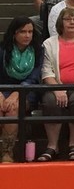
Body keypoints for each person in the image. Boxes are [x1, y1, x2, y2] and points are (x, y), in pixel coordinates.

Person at [37, 8, 74, 161]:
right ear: (60, 22)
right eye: (67, 19)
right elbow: (46, 71)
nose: (72, 22)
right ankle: (52, 146)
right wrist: (58, 89)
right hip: (57, 85)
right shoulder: (49, 43)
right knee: (50, 101)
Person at [0, 17, 42, 162]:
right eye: (23, 32)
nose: (27, 35)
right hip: (2, 88)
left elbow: (34, 77)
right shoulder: (2, 50)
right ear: (14, 33)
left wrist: (17, 93)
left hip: (27, 91)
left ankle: (7, 152)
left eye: (30, 31)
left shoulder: (38, 50)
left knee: (12, 109)